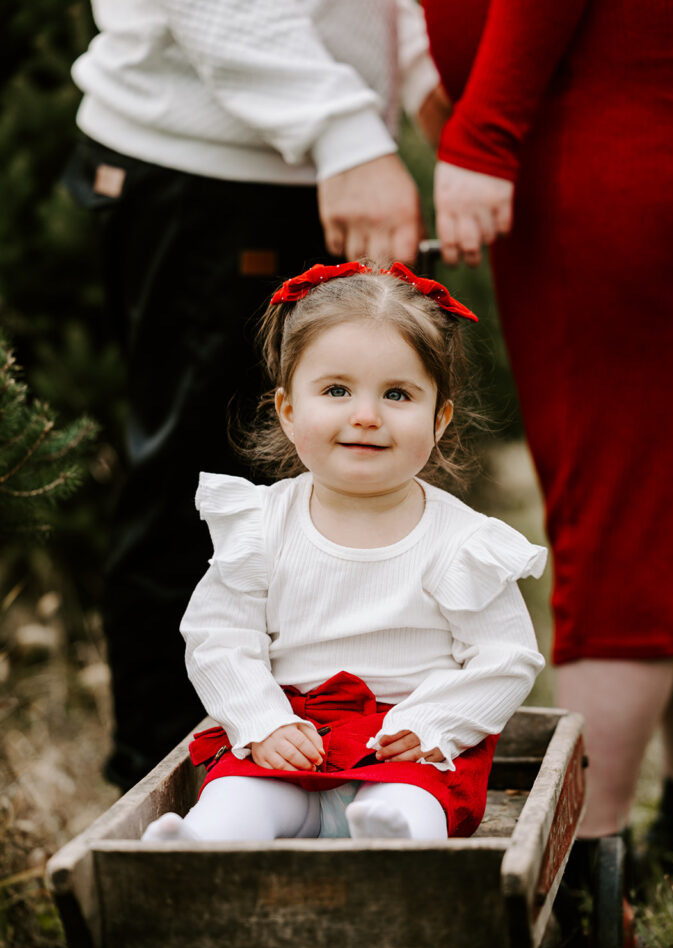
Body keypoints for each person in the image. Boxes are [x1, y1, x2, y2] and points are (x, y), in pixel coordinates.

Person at [64, 0, 449, 790]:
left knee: (325, 505)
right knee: (202, 500)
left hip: (305, 162)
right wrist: (343, 129)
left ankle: (302, 786)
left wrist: (422, 79)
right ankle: (159, 814)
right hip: (207, 170)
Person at [142, 261, 546, 843]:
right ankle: (206, 844)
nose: (366, 414)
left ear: (439, 419)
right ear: (287, 410)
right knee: (239, 794)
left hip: (406, 749)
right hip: (291, 740)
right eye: (336, 390)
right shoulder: (262, 525)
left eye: (397, 394)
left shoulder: (460, 542)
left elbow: (506, 658)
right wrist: (262, 722)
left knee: (412, 801)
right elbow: (218, 638)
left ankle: (391, 836)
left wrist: (432, 724)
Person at [422, 0, 673, 869]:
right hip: (625, 123)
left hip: (599, 145)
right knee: (658, 507)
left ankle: (586, 856)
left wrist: (481, 135)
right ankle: (672, 825)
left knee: (612, 515)